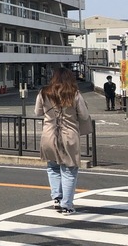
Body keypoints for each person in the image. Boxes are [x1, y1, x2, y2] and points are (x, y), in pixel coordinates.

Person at [34, 67, 91, 215]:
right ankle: (67, 205)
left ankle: (57, 199)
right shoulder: (74, 94)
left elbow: (38, 112)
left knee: (52, 167)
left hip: (48, 135)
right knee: (69, 169)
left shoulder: (44, 92)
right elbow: (84, 116)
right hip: (68, 136)